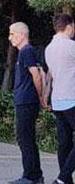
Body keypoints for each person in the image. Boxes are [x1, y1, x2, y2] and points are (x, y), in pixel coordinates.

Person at [7, 22, 45, 184]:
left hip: (27, 100)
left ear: (22, 35)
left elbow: (36, 75)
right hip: (24, 99)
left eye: (12, 34)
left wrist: (40, 96)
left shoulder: (26, 51)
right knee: (26, 138)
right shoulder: (24, 52)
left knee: (25, 138)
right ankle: (35, 174)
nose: (10, 38)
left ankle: (31, 176)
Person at [44, 14, 75, 184]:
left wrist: (46, 95)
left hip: (57, 100)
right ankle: (63, 179)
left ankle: (66, 180)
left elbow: (51, 75)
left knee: (64, 142)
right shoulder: (71, 46)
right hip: (72, 98)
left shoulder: (49, 48)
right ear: (69, 26)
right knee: (66, 142)